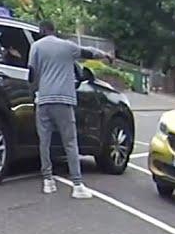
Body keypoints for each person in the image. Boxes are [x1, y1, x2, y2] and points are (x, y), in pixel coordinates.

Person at [28, 20, 113, 199]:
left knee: (45, 141)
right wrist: (105, 55)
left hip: (43, 100)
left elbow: (31, 74)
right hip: (64, 100)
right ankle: (77, 185)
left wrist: (34, 93)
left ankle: (48, 181)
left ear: (41, 31)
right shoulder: (67, 47)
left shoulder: (35, 47)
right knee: (70, 142)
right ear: (54, 30)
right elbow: (88, 52)